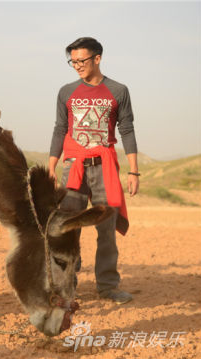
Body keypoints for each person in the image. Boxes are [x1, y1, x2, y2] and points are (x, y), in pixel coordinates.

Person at [48, 37, 139, 305]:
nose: (77, 66)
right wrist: (51, 166)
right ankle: (67, 285)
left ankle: (108, 286)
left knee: (106, 228)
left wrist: (133, 171)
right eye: (72, 61)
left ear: (97, 58)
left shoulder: (118, 90)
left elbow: (127, 129)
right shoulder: (66, 92)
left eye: (82, 61)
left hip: (105, 169)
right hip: (73, 168)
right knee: (68, 227)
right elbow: (59, 129)